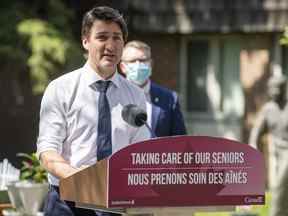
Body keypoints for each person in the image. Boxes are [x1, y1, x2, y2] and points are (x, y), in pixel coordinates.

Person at [36, 6, 150, 216]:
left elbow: (141, 153)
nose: (110, 45)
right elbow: (47, 150)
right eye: (102, 37)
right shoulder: (60, 89)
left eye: (117, 38)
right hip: (67, 201)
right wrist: (79, 178)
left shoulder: (135, 95)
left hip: (118, 202)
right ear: (85, 41)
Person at [120, 40, 187, 137]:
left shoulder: (169, 98)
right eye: (132, 61)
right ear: (122, 67)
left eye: (142, 60)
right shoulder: (112, 95)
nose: (138, 65)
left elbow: (180, 141)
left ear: (150, 64)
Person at [249, 75, 288, 216]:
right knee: (280, 187)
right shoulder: (268, 109)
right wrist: (253, 147)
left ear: (284, 88)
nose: (275, 91)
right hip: (277, 154)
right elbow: (256, 132)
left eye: (278, 88)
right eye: (272, 88)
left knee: (279, 186)